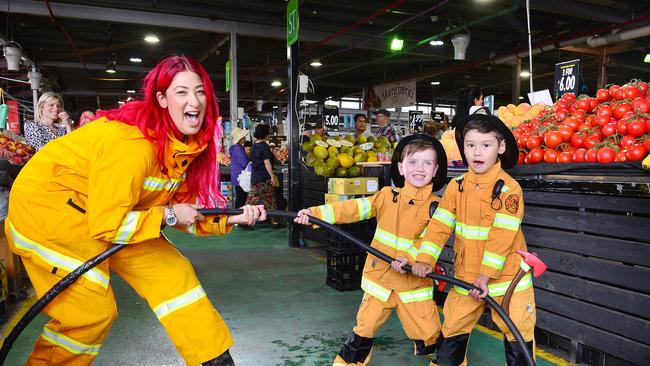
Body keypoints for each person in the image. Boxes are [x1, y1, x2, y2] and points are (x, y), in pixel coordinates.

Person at [5, 55, 266, 366]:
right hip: (48, 212)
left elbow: (184, 209)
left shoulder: (181, 145)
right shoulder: (133, 143)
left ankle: (214, 360)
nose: (194, 100)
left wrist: (231, 217)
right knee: (89, 315)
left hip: (115, 212)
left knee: (172, 273)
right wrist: (169, 215)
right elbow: (112, 224)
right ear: (162, 99)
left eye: (199, 91)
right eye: (181, 91)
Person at [294, 134, 448, 366]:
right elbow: (352, 208)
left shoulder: (437, 207)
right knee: (363, 331)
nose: (420, 168)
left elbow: (432, 240)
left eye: (427, 163)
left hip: (413, 287)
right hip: (380, 282)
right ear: (401, 168)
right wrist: (316, 215)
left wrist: (410, 259)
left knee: (431, 336)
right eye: (413, 162)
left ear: (435, 170)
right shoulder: (386, 196)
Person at [418, 113, 534, 365]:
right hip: (466, 278)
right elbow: (438, 226)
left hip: (507, 282)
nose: (477, 152)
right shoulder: (456, 186)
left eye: (486, 145)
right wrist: (425, 259)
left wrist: (485, 276)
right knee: (451, 336)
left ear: (500, 147)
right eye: (470, 145)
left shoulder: (509, 188)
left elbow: (502, 236)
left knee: (518, 340)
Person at [247, 124, 282, 228]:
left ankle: (243, 221)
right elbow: (267, 163)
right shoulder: (264, 146)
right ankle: (275, 222)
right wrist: (272, 176)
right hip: (264, 177)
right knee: (270, 200)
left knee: (251, 200)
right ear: (265, 134)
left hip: (255, 177)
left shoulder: (254, 145)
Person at [229, 127, 253, 230]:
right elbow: (244, 163)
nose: (244, 138)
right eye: (243, 137)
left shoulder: (235, 148)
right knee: (241, 199)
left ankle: (238, 220)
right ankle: (240, 221)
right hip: (240, 177)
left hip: (237, 176)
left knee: (240, 198)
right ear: (240, 139)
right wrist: (250, 160)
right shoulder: (238, 149)